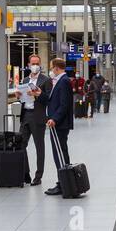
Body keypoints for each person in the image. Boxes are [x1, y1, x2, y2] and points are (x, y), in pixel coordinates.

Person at [18, 54, 50, 186]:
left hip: (38, 116)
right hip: (26, 115)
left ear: (40, 65)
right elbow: (22, 99)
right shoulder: (25, 80)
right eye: (33, 63)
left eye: (37, 63)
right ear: (28, 65)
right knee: (21, 144)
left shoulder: (45, 80)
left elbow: (48, 99)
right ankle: (26, 174)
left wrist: (38, 94)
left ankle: (38, 175)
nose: (35, 66)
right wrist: (18, 96)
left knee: (39, 147)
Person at [44, 58, 74, 196]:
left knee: (60, 154)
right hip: (58, 124)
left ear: (56, 68)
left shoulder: (64, 81)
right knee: (60, 153)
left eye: (51, 68)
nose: (51, 70)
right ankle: (63, 181)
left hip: (59, 124)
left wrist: (54, 119)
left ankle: (64, 184)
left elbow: (64, 104)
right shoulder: (61, 81)